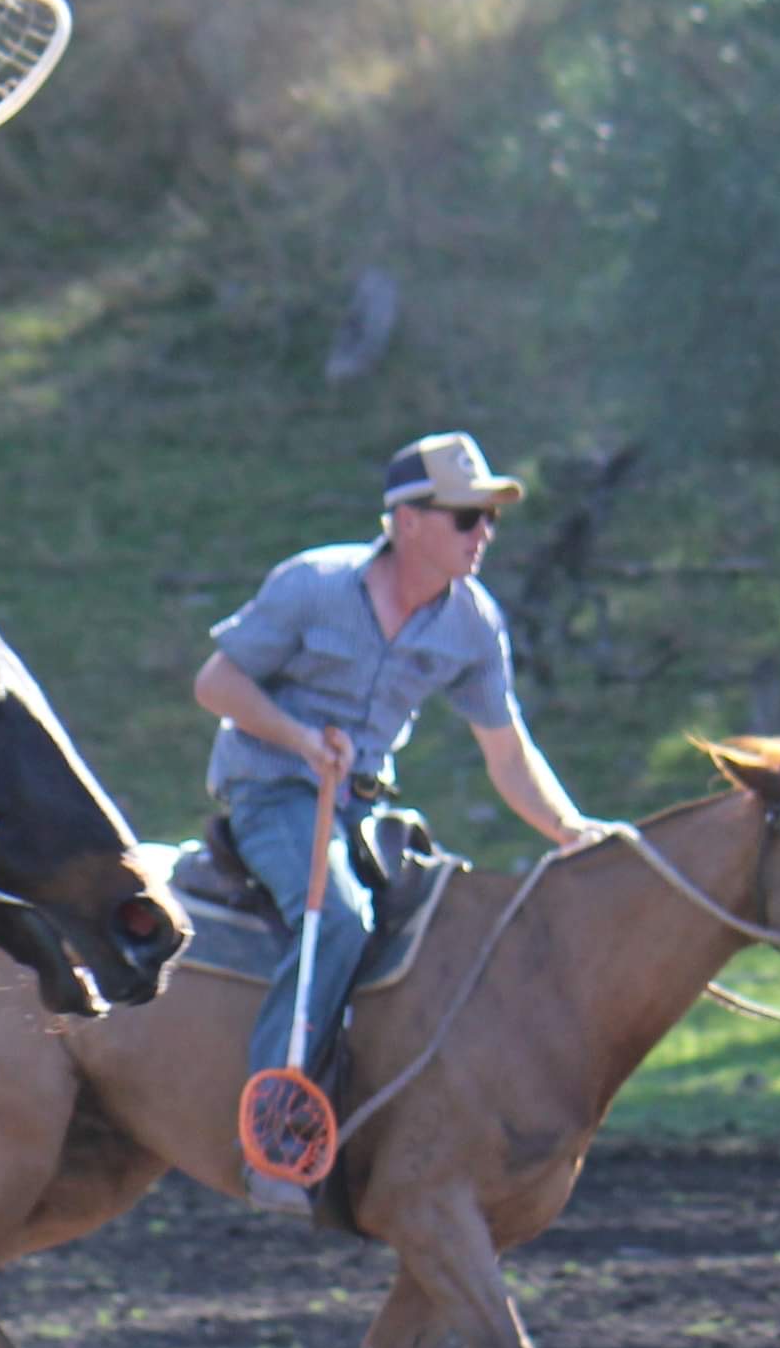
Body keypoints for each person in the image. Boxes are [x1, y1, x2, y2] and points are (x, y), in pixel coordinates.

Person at [191, 430, 614, 1214]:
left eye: (490, 519)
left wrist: (569, 829)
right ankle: (273, 1138)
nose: (484, 534)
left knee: (446, 932)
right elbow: (216, 684)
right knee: (340, 919)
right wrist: (300, 738)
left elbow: (507, 749)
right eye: (467, 517)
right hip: (272, 791)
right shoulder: (313, 586)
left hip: (365, 806)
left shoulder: (473, 623)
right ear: (407, 521)